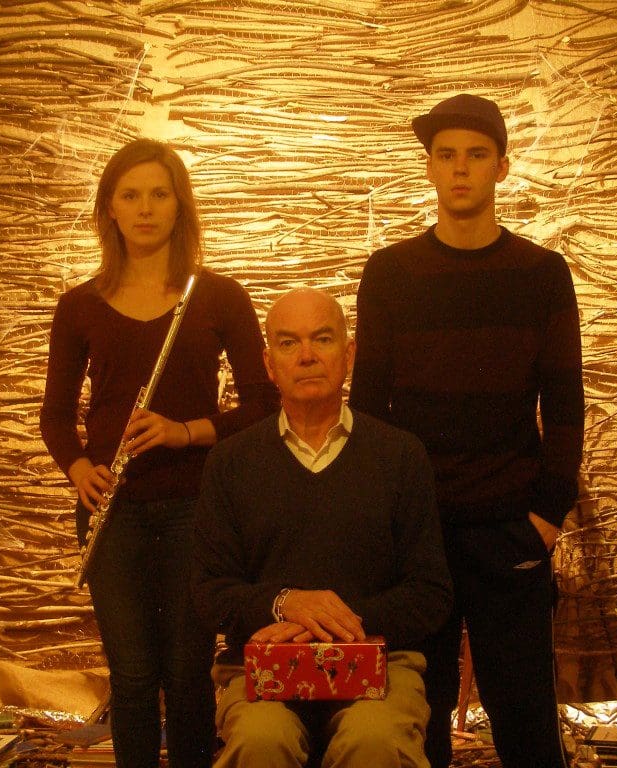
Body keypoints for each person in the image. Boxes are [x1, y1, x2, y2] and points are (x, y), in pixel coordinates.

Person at [349, 94, 585, 768]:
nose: (460, 169)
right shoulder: (390, 273)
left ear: (501, 168)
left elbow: (564, 402)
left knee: (525, 718)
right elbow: (367, 408)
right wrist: (383, 518)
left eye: (476, 156)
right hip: (417, 531)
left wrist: (548, 514)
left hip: (511, 525)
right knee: (415, 718)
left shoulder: (542, 274)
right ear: (428, 167)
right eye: (446, 155)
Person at [40, 138, 279, 768]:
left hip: (197, 507)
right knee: (134, 675)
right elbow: (56, 416)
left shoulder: (219, 295)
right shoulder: (79, 305)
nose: (145, 208)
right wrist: (79, 469)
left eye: (159, 194)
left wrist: (185, 432)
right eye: (130, 195)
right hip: (113, 509)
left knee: (187, 671)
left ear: (180, 205)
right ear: (109, 209)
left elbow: (262, 404)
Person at [191, 288, 453, 768]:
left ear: (348, 355)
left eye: (323, 339)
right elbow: (210, 593)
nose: (307, 355)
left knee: (374, 740)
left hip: (380, 664)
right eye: (289, 343)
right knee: (260, 739)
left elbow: (430, 593)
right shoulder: (230, 462)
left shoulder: (399, 455)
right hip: (264, 671)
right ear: (269, 364)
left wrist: (333, 623)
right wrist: (284, 603)